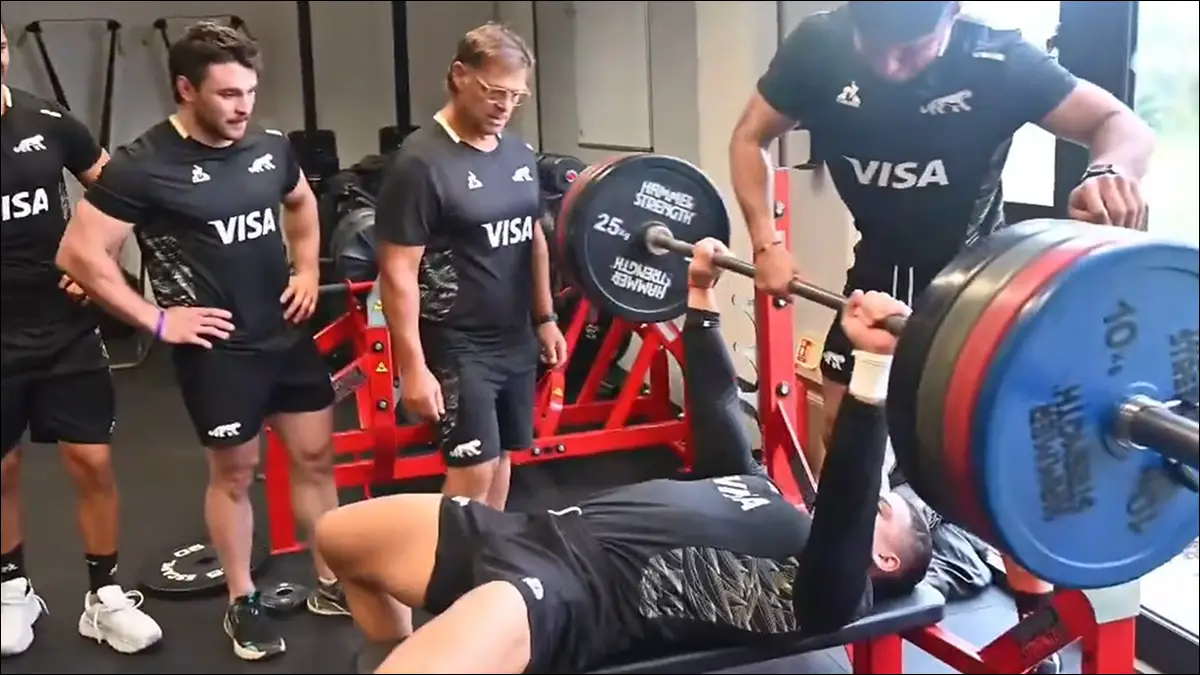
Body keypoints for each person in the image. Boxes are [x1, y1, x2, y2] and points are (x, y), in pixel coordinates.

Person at [727, 3, 1154, 672]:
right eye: (878, 50)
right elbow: (749, 136)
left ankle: (1031, 619)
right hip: (873, 279)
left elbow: (1118, 123)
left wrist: (1106, 172)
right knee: (845, 431)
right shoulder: (819, 43)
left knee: (1005, 456)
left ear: (951, 18)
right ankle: (845, 584)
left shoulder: (999, 59)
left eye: (913, 50)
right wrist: (765, 240)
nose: (893, 66)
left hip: (977, 288)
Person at [313, 239, 935, 673]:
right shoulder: (766, 497)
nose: (878, 499)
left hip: (561, 593)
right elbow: (718, 409)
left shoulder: (825, 592)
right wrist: (700, 296)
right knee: (340, 538)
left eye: (888, 512)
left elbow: (851, 493)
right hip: (523, 532)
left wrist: (873, 363)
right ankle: (405, 643)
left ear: (880, 555)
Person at [54, 22, 345, 661]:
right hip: (217, 349)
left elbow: (300, 202)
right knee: (236, 474)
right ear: (186, 89)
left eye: (249, 91)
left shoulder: (269, 145)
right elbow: (80, 253)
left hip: (285, 333)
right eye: (226, 94)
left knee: (316, 457)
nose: (243, 107)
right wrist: (156, 320)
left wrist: (307, 267)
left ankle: (331, 581)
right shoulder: (143, 164)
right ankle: (242, 598)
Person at [0, 21, 163, 657]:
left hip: (64, 327)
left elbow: (119, 192)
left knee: (90, 461)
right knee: (3, 467)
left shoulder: (48, 121)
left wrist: (97, 263)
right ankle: (12, 589)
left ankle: (105, 598)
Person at [375, 22, 566, 508]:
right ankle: (441, 579)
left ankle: (486, 564)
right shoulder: (419, 164)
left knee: (502, 460)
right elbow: (397, 273)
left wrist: (544, 319)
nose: (505, 106)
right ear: (460, 75)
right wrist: (412, 367)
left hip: (514, 336)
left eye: (516, 96)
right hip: (458, 342)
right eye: (494, 92)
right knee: (472, 471)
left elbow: (534, 238)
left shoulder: (518, 153)